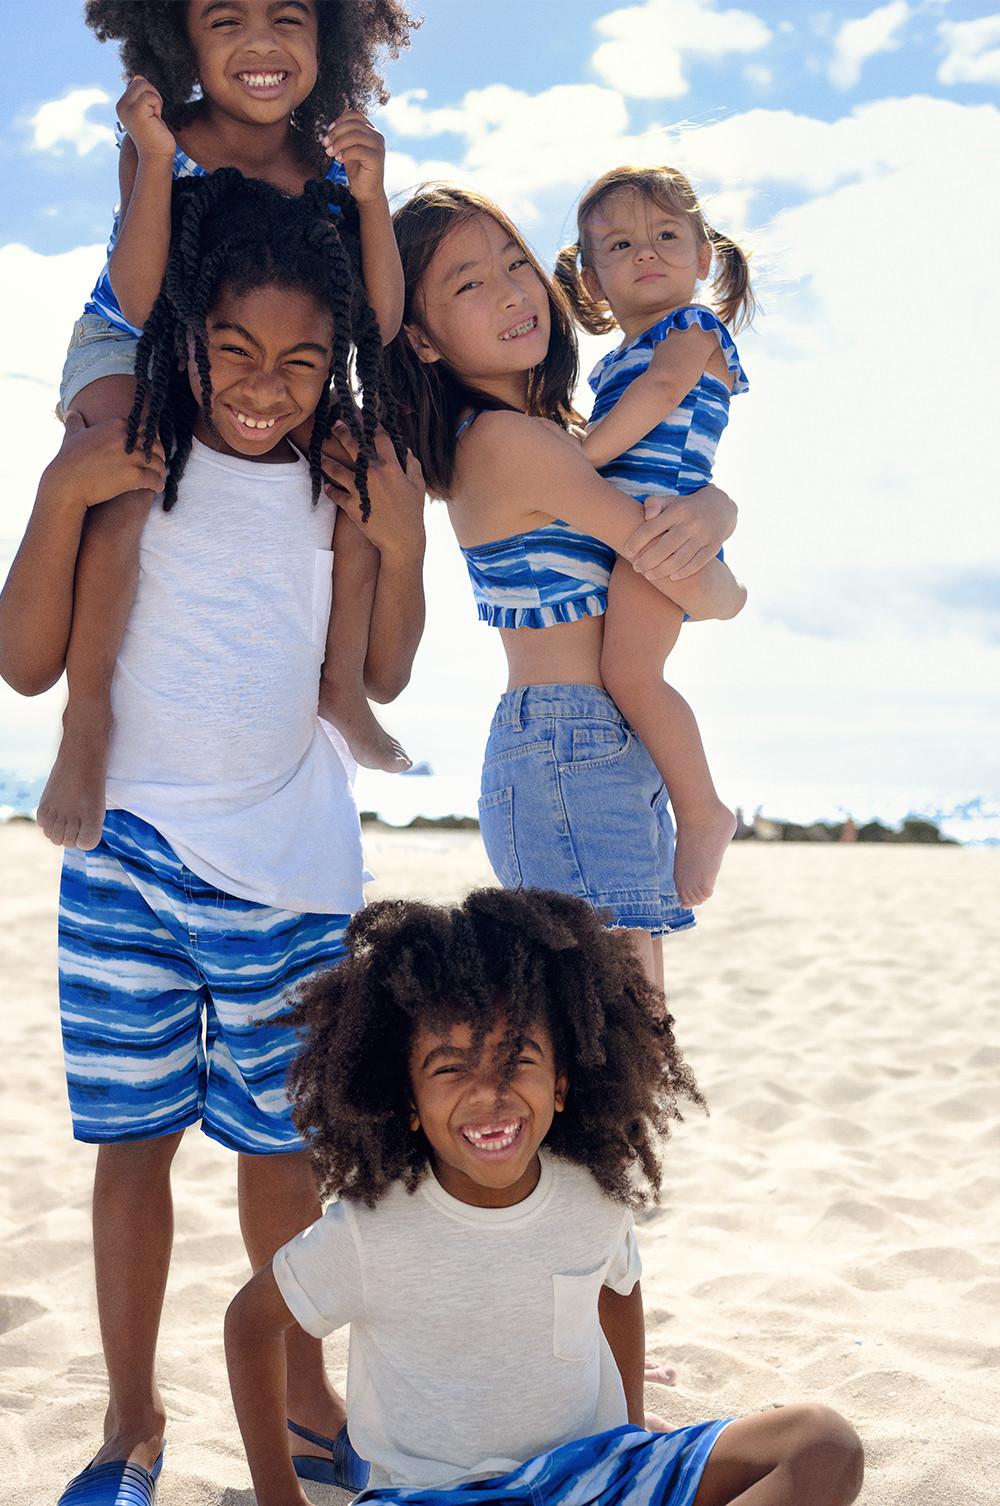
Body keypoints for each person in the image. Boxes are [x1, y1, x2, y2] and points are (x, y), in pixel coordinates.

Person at [0, 170, 425, 1506]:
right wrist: (62, 495)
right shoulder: (134, 460)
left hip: (291, 875)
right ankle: (131, 1421)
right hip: (123, 855)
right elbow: (21, 661)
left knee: (278, 1152)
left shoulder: (337, 471)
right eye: (234, 349)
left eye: (302, 360)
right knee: (133, 1145)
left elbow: (384, 669)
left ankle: (300, 1393)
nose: (265, 383)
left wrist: (401, 541)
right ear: (183, 336)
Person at [226, 887, 864, 1506]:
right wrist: (280, 1495)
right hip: (434, 1497)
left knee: (820, 1443)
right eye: (449, 1068)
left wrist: (631, 1432)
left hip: (594, 1476)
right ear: (409, 1103)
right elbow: (249, 1325)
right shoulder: (368, 1230)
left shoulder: (591, 1193)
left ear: (561, 1083)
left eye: (516, 1059)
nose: (488, 1091)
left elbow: (618, 1287)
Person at [39, 0, 418, 855]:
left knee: (354, 467)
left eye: (288, 20)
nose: (260, 44)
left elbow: (380, 319)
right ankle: (88, 712)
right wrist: (157, 155)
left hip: (264, 353)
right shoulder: (163, 136)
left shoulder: (326, 164)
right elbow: (139, 298)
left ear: (331, 40)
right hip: (133, 339)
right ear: (179, 40)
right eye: (225, 21)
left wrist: (371, 197)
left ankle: (341, 687)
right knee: (127, 461)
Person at [372, 184, 737, 989]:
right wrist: (718, 518)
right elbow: (708, 593)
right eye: (468, 283)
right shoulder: (511, 441)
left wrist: (714, 507)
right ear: (423, 341)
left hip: (590, 742)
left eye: (516, 265)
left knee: (631, 1040)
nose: (510, 293)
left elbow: (669, 545)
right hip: (569, 748)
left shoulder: (552, 436)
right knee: (614, 1040)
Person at [553, 166, 754, 907]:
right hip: (633, 528)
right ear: (595, 281)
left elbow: (664, 395)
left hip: (667, 524)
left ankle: (703, 811)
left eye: (667, 236)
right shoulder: (612, 362)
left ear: (704, 257)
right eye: (621, 244)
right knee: (620, 674)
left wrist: (582, 456)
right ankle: (674, 805)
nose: (647, 252)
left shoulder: (693, 328)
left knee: (633, 676)